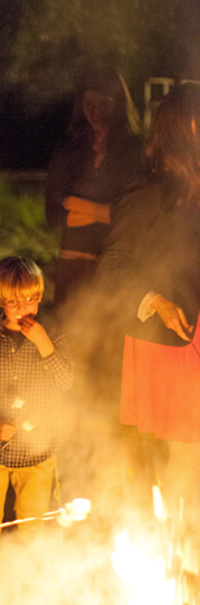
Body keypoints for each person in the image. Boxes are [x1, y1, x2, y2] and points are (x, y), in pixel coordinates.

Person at [94, 82, 200, 553]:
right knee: (184, 470)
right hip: (171, 344)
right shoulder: (149, 189)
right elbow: (114, 266)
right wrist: (156, 299)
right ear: (187, 126)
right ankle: (181, 571)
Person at [0, 257, 73, 538]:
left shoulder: (52, 337)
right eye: (15, 302)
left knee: (32, 525)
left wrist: (43, 344)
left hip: (37, 449)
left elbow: (66, 382)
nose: (24, 307)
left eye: (31, 299)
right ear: (0, 300)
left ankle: (26, 578)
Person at [46, 66, 143, 307]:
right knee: (69, 339)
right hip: (72, 265)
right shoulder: (69, 149)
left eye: (104, 103)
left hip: (115, 266)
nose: (95, 110)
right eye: (89, 102)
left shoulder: (134, 151)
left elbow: (133, 215)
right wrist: (106, 211)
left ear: (118, 104)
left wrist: (77, 204)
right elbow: (54, 215)